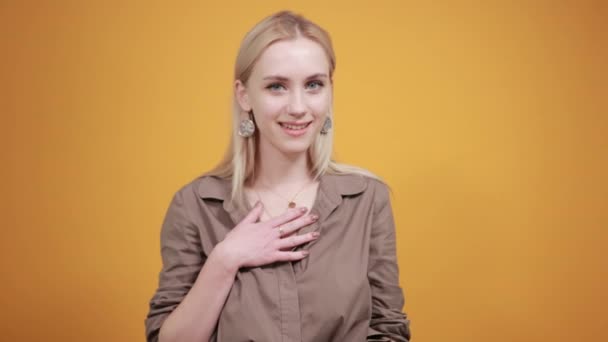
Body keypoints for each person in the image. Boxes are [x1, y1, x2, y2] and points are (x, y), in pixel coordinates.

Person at [145, 10, 411, 342]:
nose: (298, 107)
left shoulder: (368, 200)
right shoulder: (194, 206)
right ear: (244, 95)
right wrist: (225, 260)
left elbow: (389, 330)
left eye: (313, 85)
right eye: (277, 87)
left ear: (330, 90)